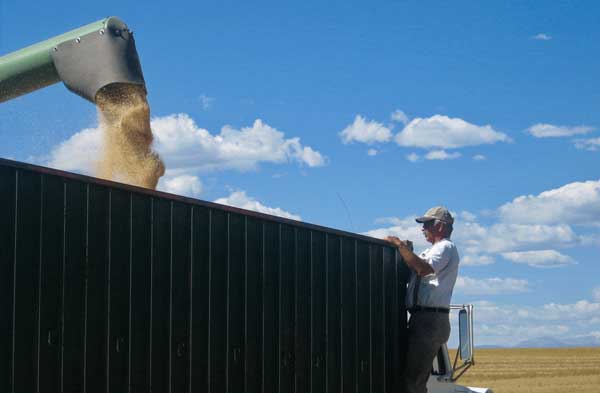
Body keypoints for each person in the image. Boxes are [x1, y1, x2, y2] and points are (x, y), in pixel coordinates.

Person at [385, 206, 459, 393]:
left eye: (426, 224)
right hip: (425, 319)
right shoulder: (433, 250)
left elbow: (424, 269)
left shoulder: (445, 248)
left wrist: (400, 246)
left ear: (440, 226)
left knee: (414, 381)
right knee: (413, 376)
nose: (422, 229)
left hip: (429, 320)